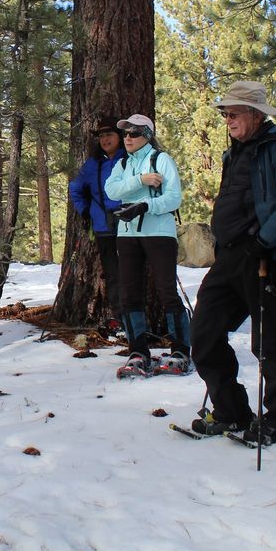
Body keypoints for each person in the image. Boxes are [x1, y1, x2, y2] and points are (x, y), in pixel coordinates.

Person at [188, 82, 276, 445]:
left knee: (274, 341)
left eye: (234, 113)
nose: (228, 120)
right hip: (230, 256)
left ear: (256, 115)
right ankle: (232, 411)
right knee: (203, 332)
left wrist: (269, 236)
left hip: (270, 255)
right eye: (225, 114)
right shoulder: (234, 153)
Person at [103, 114, 188, 375]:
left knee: (166, 291)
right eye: (125, 133)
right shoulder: (123, 164)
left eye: (134, 133)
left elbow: (174, 198)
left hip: (160, 233)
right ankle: (137, 350)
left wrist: (145, 205)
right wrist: (140, 181)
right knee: (129, 292)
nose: (127, 138)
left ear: (147, 136)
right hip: (128, 235)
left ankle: (181, 350)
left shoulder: (161, 160)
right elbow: (111, 190)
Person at [68, 116, 126, 334]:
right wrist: (85, 211)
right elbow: (75, 188)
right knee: (113, 274)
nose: (105, 139)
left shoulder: (129, 159)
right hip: (103, 227)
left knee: (132, 272)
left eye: (109, 134)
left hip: (129, 225)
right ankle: (120, 318)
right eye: (101, 136)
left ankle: (136, 318)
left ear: (119, 137)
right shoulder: (93, 164)